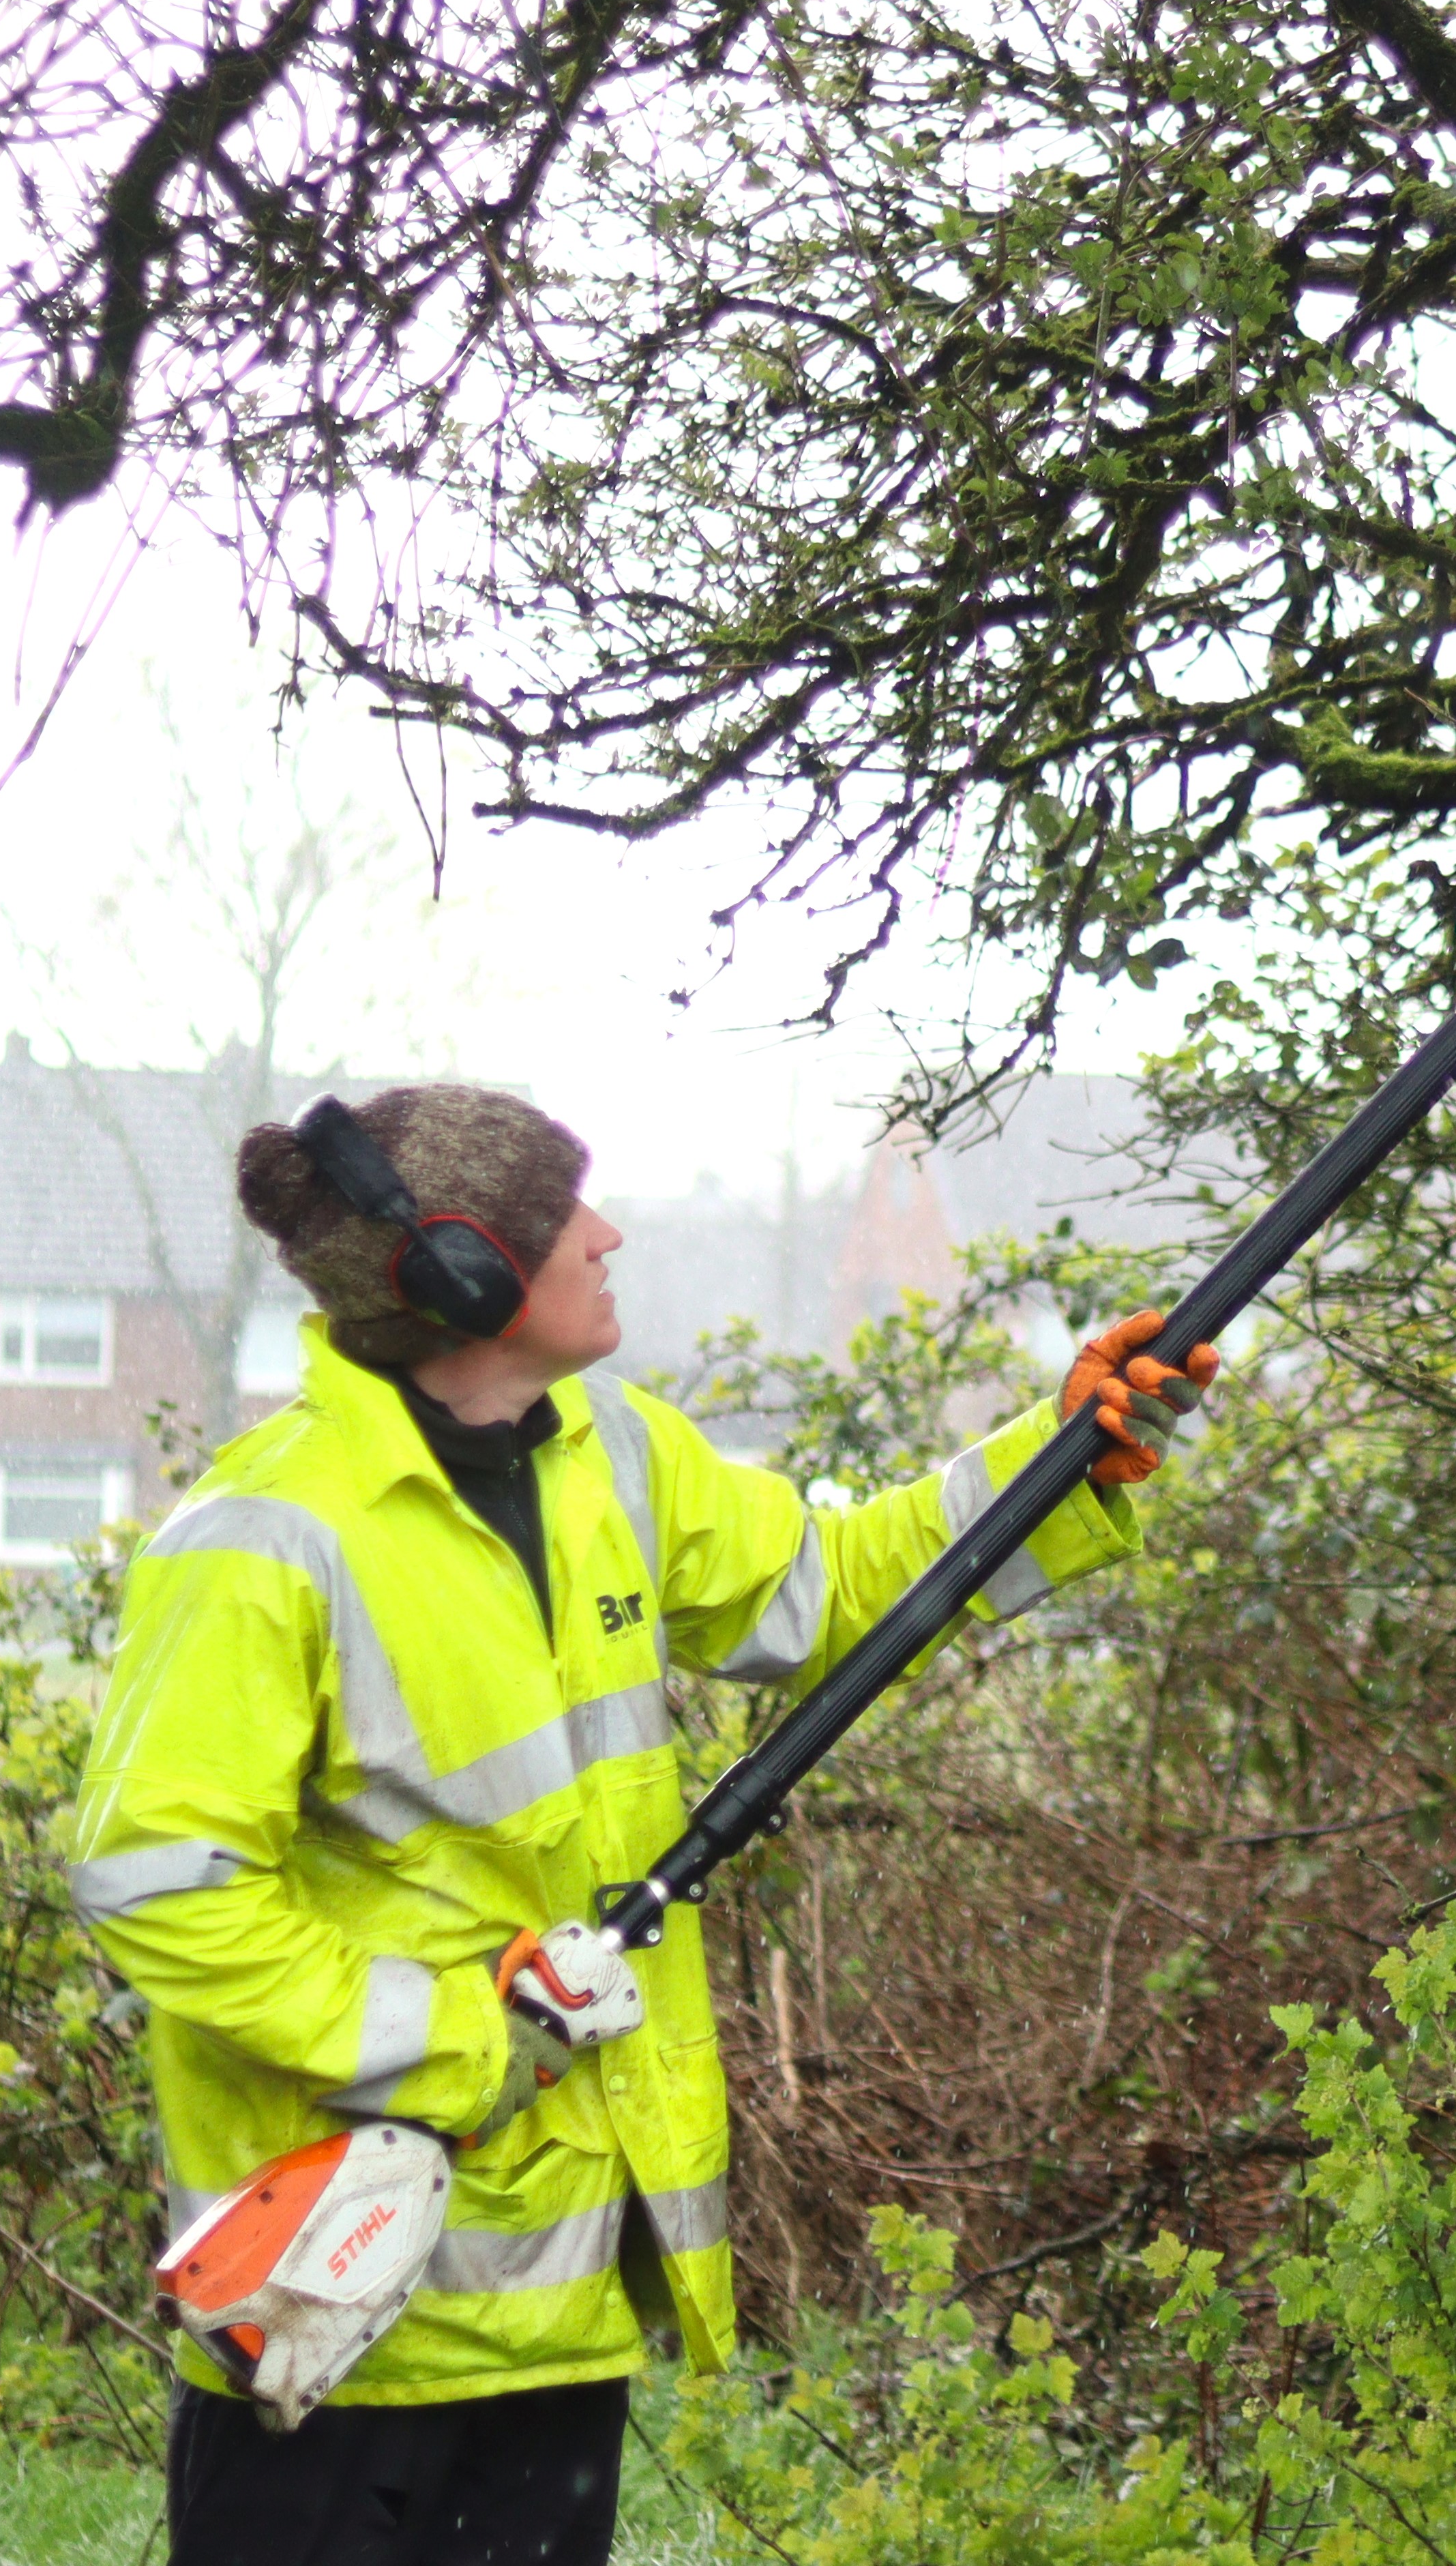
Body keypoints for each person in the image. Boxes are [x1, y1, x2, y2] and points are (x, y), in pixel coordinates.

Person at [60, 1084, 1215, 2566]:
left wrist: (1055, 1458)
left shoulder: (611, 1453)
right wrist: (471, 2037)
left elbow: (833, 1580)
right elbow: (164, 1889)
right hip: (337, 2316)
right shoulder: (259, 1542)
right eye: (564, 1219)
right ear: (468, 1279)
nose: (607, 1234)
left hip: (560, 2300)